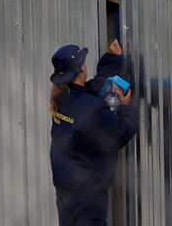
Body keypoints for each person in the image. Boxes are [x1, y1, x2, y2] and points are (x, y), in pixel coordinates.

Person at [49, 39, 138, 226]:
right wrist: (126, 108)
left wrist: (112, 59)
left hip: (67, 192)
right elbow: (120, 134)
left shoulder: (63, 98)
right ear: (82, 68)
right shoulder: (92, 108)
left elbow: (96, 85)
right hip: (87, 198)